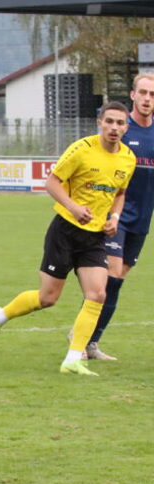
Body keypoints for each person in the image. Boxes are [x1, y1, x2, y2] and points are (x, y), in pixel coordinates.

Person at [0, 101, 136, 376]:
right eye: (109, 121)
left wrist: (114, 218)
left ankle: (73, 359)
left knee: (97, 294)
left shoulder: (128, 158)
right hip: (64, 231)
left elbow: (120, 193)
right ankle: (0, 316)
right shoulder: (82, 149)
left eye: (120, 123)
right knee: (48, 298)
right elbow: (51, 182)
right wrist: (75, 208)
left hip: (95, 237)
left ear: (126, 127)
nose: (114, 127)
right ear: (99, 122)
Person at [83, 73, 154, 360]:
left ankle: (90, 341)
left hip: (142, 220)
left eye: (153, 94)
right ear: (133, 95)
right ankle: (81, 338)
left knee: (117, 281)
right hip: (116, 217)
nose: (148, 99)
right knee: (110, 277)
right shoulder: (124, 130)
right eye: (144, 93)